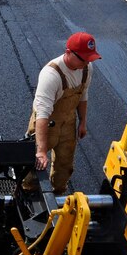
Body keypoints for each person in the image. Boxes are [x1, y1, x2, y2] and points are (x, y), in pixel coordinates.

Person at [25, 32, 100, 194]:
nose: (87, 62)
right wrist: (41, 150)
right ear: (68, 53)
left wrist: (83, 122)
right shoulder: (51, 75)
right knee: (35, 164)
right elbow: (43, 115)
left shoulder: (86, 68)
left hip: (68, 121)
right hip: (46, 122)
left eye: (90, 58)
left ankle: (58, 193)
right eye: (83, 58)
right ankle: (27, 191)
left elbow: (83, 95)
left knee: (65, 164)